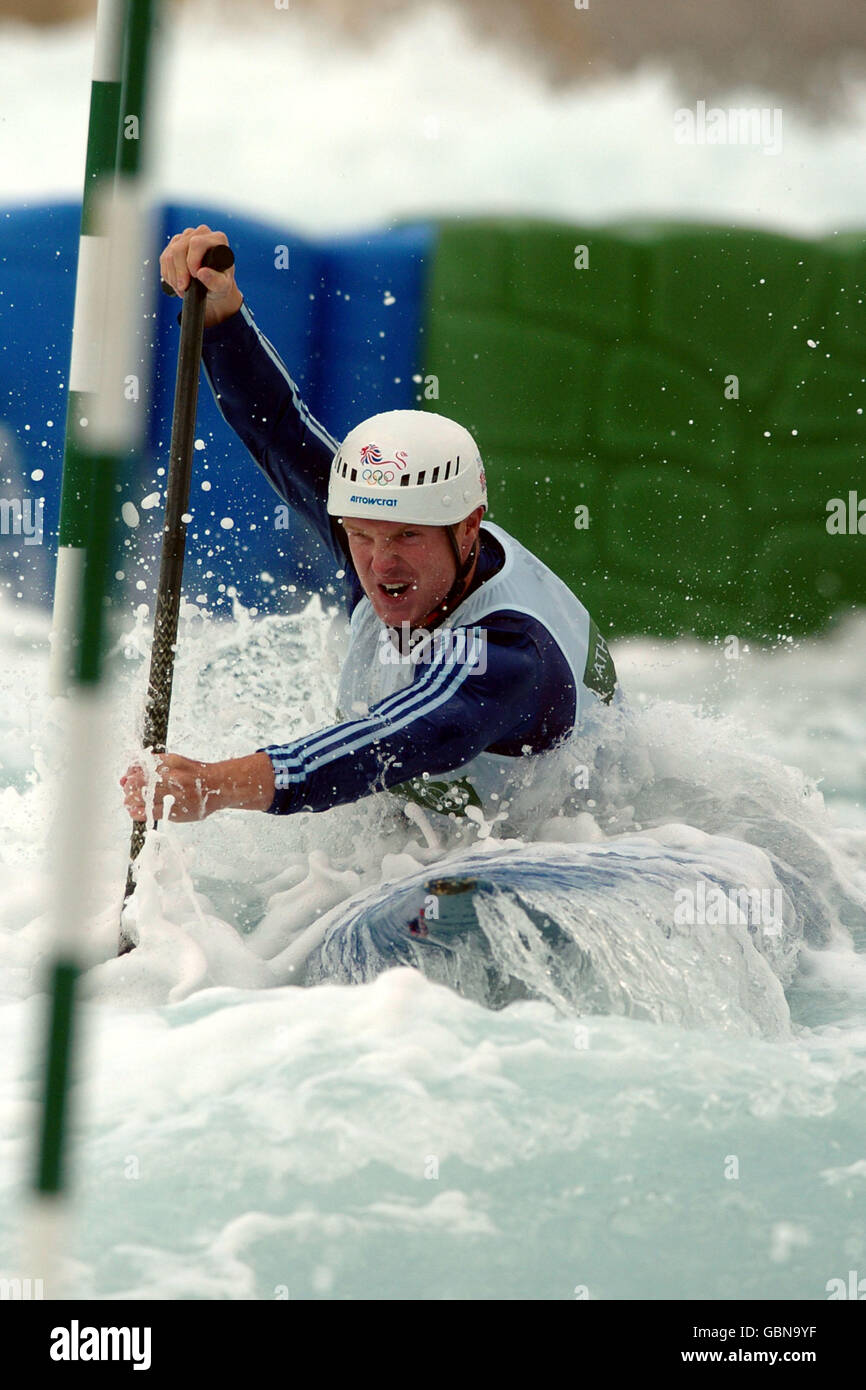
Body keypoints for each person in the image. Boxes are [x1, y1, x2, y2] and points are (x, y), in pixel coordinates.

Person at [121, 225, 618, 830]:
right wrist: (221, 310)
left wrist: (214, 786)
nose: (381, 564)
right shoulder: (389, 528)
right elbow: (278, 428)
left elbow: (383, 742)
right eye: (360, 535)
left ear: (467, 531)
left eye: (407, 537)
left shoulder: (511, 653)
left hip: (572, 845)